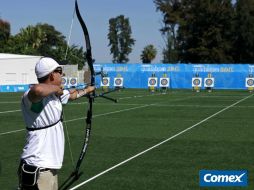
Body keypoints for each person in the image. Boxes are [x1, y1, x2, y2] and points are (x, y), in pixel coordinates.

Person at [18, 57, 95, 190]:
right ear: (51, 74)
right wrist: (56, 89)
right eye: (59, 71)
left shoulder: (55, 95)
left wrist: (88, 90)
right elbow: (38, 90)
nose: (62, 74)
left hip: (50, 168)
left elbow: (71, 95)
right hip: (38, 167)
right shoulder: (30, 97)